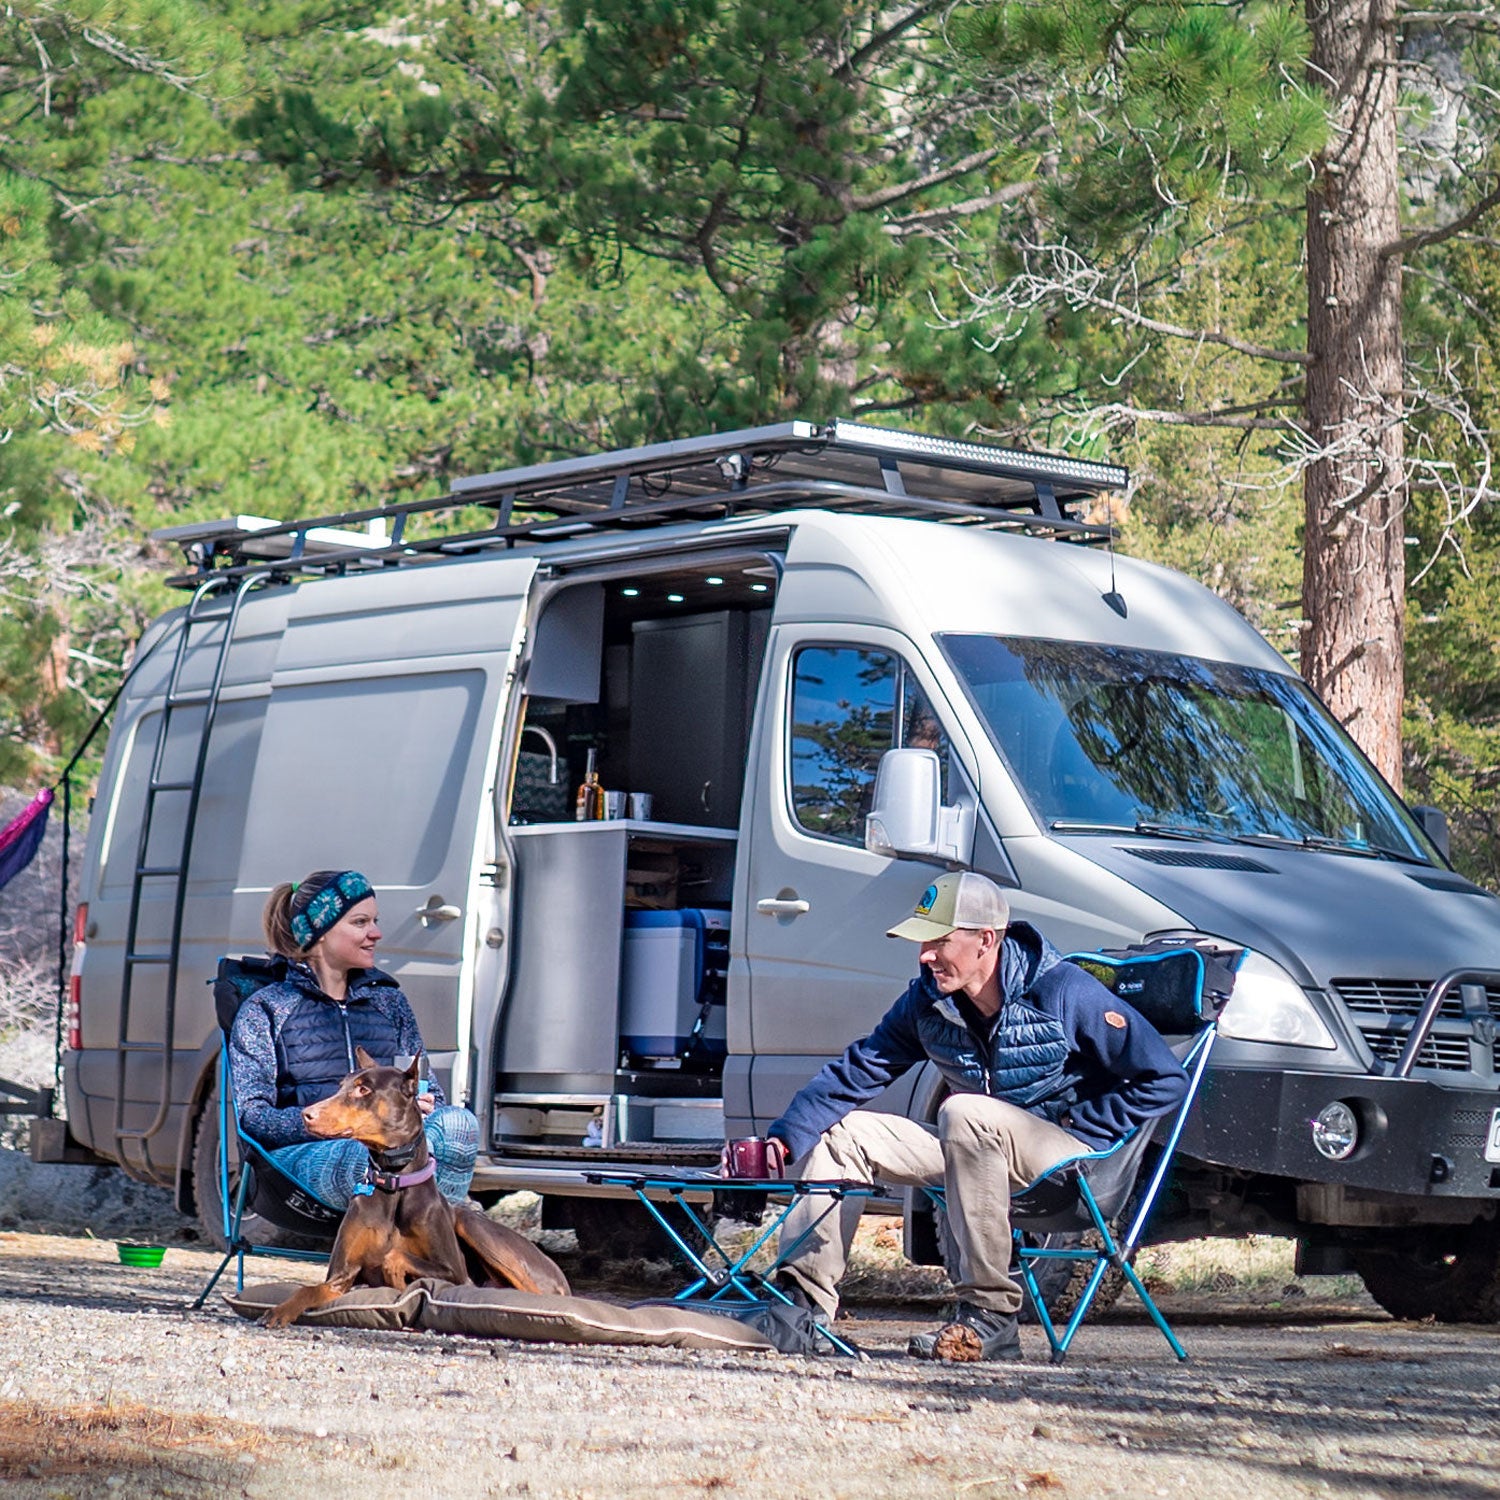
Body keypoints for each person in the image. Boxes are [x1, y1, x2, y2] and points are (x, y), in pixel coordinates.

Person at [763, 871, 1189, 1362]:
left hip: (1065, 1162)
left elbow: (1164, 1078)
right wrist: (786, 1137)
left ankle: (989, 1316)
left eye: (939, 941)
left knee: (963, 1110)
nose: (925, 955)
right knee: (846, 1133)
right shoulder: (927, 1003)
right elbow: (858, 1070)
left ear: (986, 940)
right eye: (922, 942)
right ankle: (801, 1308)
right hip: (976, 1155)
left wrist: (1089, 1124)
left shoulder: (1064, 992)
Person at [229, 869, 480, 1208]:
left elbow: (428, 1090)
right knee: (364, 1151)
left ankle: (438, 1232)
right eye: (360, 922)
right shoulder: (267, 1008)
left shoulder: (389, 1002)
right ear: (319, 932)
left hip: (391, 1148)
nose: (375, 933)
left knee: (459, 1123)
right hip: (302, 1161)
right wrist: (331, 1121)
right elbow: (253, 1118)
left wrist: (422, 1104)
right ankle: (438, 1233)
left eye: (375, 921)